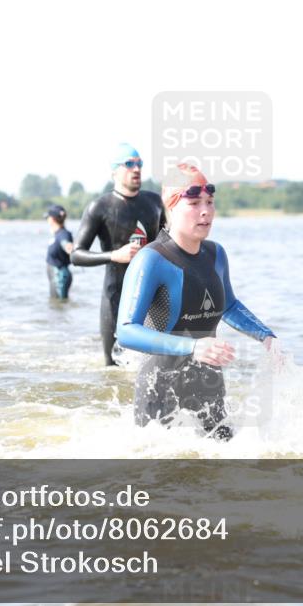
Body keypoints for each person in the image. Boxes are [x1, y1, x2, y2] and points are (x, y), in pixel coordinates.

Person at [117, 164, 276, 439]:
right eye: (194, 203)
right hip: (160, 394)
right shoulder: (151, 259)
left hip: (210, 391)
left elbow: (229, 305)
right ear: (171, 205)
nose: (206, 211)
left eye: (210, 201)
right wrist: (193, 346)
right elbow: (126, 330)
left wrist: (266, 337)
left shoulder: (216, 255)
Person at [71, 143, 167, 365]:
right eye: (129, 164)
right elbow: (76, 255)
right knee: (112, 367)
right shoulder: (99, 207)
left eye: (139, 163)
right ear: (114, 171)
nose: (137, 169)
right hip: (115, 297)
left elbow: (169, 240)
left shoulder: (155, 202)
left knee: (159, 363)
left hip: (153, 294)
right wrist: (114, 255)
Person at [45, 204, 74, 300]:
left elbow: (65, 244)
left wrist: (69, 247)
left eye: (48, 217)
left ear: (52, 219)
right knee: (56, 304)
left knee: (59, 303)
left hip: (60, 277)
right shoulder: (57, 233)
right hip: (56, 276)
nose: (47, 219)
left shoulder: (63, 234)